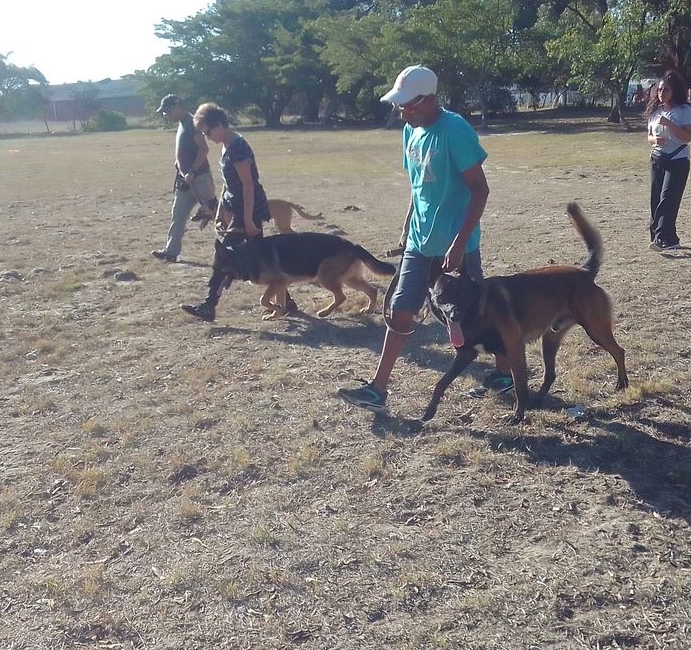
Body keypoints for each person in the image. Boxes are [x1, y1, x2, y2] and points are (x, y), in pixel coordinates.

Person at [338, 66, 507, 415]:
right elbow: (418, 188)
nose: (402, 112)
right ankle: (377, 389)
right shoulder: (409, 131)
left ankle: (505, 373)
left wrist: (460, 242)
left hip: (456, 245)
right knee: (401, 310)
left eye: (409, 105)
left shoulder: (454, 131)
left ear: (430, 99)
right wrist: (407, 227)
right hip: (419, 241)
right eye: (399, 105)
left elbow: (480, 190)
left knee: (477, 312)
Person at [180, 103, 297, 321]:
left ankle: (208, 305)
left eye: (208, 132)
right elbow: (228, 184)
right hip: (238, 210)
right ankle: (287, 302)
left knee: (223, 257)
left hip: (248, 210)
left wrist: (249, 220)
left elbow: (248, 185)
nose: (207, 137)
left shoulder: (238, 147)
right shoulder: (226, 146)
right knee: (260, 259)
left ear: (220, 124)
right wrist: (220, 211)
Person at [152, 94, 218, 263]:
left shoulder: (191, 122)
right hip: (185, 180)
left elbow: (203, 149)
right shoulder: (183, 124)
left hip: (199, 178)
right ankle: (171, 252)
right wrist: (180, 164)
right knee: (178, 215)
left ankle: (237, 247)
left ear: (177, 106)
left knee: (214, 214)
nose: (166, 115)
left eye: (167, 111)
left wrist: (192, 172)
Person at [646, 70, 691, 251]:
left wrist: (669, 124)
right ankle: (667, 238)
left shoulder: (684, 111)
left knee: (668, 198)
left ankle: (661, 238)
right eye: (659, 90)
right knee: (655, 198)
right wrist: (655, 140)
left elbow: (688, 136)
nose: (661, 93)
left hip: (678, 159)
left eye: (665, 90)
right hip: (657, 158)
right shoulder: (655, 112)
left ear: (674, 90)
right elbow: (649, 137)